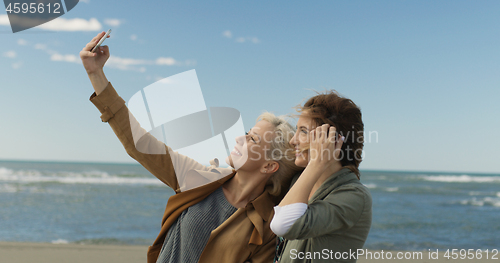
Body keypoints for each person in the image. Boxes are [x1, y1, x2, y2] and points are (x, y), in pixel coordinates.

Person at [80, 32, 302, 263]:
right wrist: (95, 73)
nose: (239, 139)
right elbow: (140, 144)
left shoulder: (268, 227)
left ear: (269, 166)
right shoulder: (200, 178)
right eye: (246, 133)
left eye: (252, 139)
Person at [270, 91, 372, 263]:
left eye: (303, 131)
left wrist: (317, 162)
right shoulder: (300, 179)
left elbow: (282, 225)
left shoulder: (354, 196)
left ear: (332, 140)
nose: (293, 140)